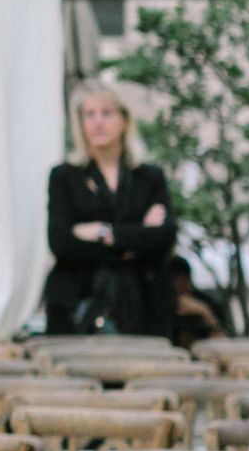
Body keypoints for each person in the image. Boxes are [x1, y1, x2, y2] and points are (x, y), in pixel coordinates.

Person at [41, 83, 176, 338]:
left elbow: (164, 238)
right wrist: (137, 236)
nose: (98, 122)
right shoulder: (64, 177)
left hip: (144, 305)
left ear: (124, 120)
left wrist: (104, 232)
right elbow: (61, 242)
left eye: (106, 113)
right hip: (77, 306)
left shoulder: (149, 177)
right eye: (89, 114)